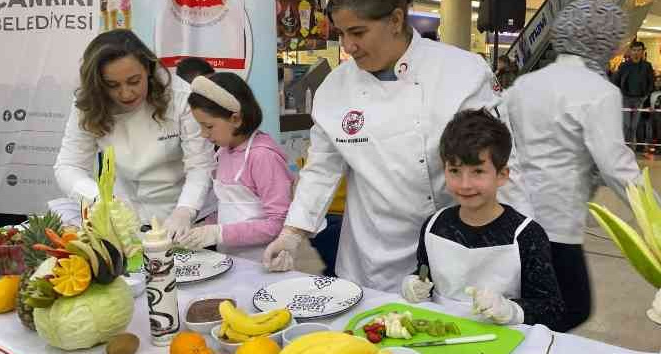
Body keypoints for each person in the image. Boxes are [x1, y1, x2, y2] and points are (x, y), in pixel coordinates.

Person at [262, 0, 533, 292]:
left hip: (456, 246)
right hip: (373, 258)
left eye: (358, 32)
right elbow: (320, 170)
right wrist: (292, 232)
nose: (348, 46)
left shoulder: (461, 72)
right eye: (341, 33)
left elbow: (502, 165)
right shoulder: (335, 88)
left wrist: (524, 243)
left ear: (395, 20)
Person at [504, 0, 641, 332]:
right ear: (602, 39)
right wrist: (653, 212)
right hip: (558, 221)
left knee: (529, 300)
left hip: (515, 212)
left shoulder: (525, 84)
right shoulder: (599, 92)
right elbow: (616, 167)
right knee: (573, 306)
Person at [401, 109, 564, 330]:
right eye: (455, 171)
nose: (465, 184)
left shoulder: (527, 235)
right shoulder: (434, 226)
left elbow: (552, 309)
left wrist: (511, 310)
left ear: (502, 175)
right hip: (439, 335)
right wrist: (414, 284)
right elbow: (424, 274)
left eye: (478, 171)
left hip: (505, 340)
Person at [54, 29, 215, 239]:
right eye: (112, 85)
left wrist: (186, 210)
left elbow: (200, 166)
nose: (125, 93)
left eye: (134, 81)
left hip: (186, 219)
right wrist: (101, 200)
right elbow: (69, 167)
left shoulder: (180, 97)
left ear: (148, 69)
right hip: (125, 220)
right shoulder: (88, 104)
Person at [174, 73, 294, 261]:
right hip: (233, 260)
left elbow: (279, 223)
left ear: (236, 119)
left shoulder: (262, 156)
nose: (203, 134)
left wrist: (218, 233)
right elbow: (228, 208)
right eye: (200, 126)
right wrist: (200, 230)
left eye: (208, 126)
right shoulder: (223, 152)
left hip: (267, 261)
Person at [612, 41, 655, 147]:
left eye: (639, 50)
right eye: (634, 50)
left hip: (640, 99)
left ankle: (631, 147)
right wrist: (620, 95)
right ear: (630, 51)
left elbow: (651, 82)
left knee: (634, 125)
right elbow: (616, 81)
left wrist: (645, 96)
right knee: (626, 124)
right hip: (626, 98)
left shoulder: (647, 66)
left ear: (642, 51)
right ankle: (625, 146)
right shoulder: (624, 65)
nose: (636, 52)